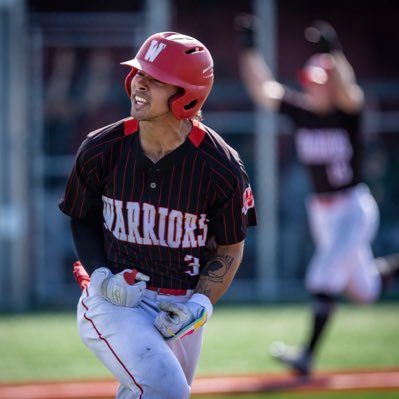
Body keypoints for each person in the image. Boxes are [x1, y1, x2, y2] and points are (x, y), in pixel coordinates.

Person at [59, 31, 256, 398]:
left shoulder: (221, 167)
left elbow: (230, 246)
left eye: (156, 79)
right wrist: (102, 279)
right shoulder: (101, 148)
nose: (140, 83)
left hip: (177, 310)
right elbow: (81, 218)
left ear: (187, 95)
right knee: (167, 389)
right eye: (139, 73)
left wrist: (200, 304)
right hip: (115, 301)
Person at [235, 15, 399, 376]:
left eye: (320, 81)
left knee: (322, 275)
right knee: (365, 290)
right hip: (323, 212)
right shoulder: (303, 113)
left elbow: (351, 90)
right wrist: (249, 48)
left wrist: (333, 53)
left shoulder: (347, 114)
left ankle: (306, 356)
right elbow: (264, 89)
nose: (312, 87)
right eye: (310, 81)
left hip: (353, 207)